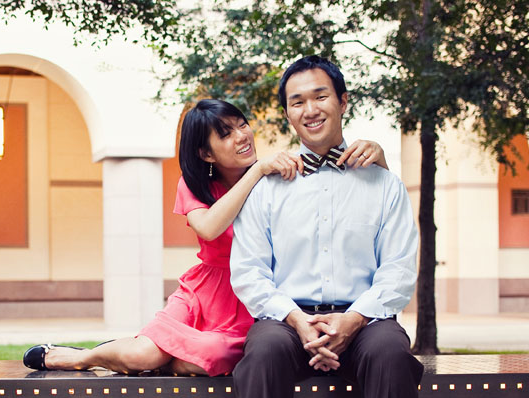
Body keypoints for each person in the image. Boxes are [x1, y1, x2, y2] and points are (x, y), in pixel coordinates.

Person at [23, 99, 387, 376]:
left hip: (256, 294)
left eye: (241, 125)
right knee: (142, 356)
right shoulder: (197, 184)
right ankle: (83, 356)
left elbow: (351, 206)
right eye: (226, 134)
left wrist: (380, 160)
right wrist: (258, 170)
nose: (242, 136)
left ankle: (163, 355)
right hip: (204, 291)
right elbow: (210, 226)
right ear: (205, 152)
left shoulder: (280, 179)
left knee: (212, 355)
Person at [229, 56, 423, 398]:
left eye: (320, 96)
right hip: (288, 319)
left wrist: (352, 320)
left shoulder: (383, 184)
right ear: (288, 114)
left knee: (392, 356)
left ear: (342, 102)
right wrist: (297, 319)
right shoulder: (267, 187)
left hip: (365, 318)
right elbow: (249, 272)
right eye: (297, 101)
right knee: (263, 353)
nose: (310, 109)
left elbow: (399, 269)